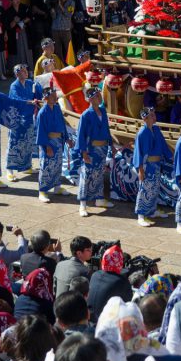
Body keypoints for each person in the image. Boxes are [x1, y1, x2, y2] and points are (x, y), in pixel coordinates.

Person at [76, 87, 114, 216]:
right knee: (87, 175)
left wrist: (111, 145)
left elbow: (107, 130)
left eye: (100, 95)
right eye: (97, 96)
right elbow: (81, 135)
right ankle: (83, 204)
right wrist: (83, 152)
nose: (100, 97)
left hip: (102, 148)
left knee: (99, 174)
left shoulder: (102, 111)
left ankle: (99, 199)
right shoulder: (86, 115)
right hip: (91, 149)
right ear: (91, 98)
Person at [133, 107, 170, 227]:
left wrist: (171, 157)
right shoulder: (142, 133)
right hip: (147, 165)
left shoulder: (156, 129)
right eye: (152, 115)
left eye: (154, 114)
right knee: (145, 189)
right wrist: (140, 170)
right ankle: (141, 215)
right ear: (145, 118)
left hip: (156, 164)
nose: (155, 117)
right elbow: (138, 152)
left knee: (154, 189)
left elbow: (164, 146)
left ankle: (152, 211)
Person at [35, 86, 71, 202]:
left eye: (55, 95)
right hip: (48, 142)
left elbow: (62, 125)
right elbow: (40, 131)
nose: (55, 97)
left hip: (58, 141)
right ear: (46, 98)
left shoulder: (56, 108)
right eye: (52, 96)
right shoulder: (42, 113)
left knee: (57, 165)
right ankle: (42, 191)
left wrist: (67, 138)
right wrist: (46, 146)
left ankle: (57, 187)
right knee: (46, 166)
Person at [5, 64, 39, 182]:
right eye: (23, 71)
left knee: (27, 143)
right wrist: (30, 102)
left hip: (29, 117)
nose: (25, 73)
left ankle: (26, 166)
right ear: (17, 74)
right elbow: (15, 99)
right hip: (17, 119)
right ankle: (9, 170)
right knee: (14, 144)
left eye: (26, 70)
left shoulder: (30, 83)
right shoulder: (14, 85)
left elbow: (38, 92)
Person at [88, 245, 132, 322]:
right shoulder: (121, 282)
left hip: (88, 318)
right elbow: (127, 305)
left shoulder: (95, 275)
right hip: (104, 323)